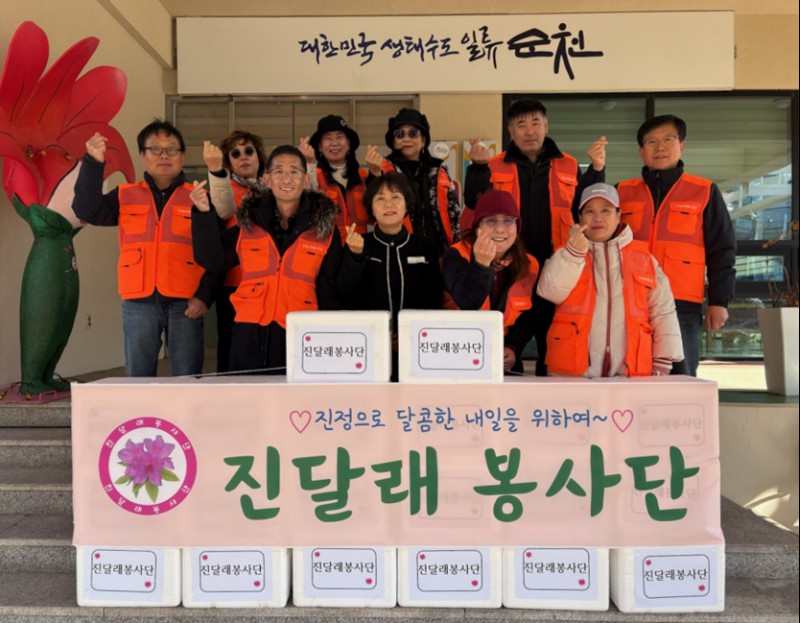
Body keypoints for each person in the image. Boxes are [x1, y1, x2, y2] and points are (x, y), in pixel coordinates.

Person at [463, 98, 608, 375]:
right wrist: (478, 168)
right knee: (509, 333)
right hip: (512, 265)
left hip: (556, 264)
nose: (529, 131)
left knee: (553, 337)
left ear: (546, 126)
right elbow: (475, 203)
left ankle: (550, 390)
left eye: (535, 123)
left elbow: (584, 207)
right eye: (521, 125)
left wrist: (597, 170)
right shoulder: (494, 164)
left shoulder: (568, 164)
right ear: (510, 131)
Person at [72, 120, 217, 377]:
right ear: (143, 155)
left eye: (172, 149)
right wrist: (93, 164)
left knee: (188, 380)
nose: (164, 155)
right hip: (139, 302)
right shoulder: (125, 195)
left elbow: (216, 253)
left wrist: (204, 296)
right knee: (138, 380)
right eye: (155, 149)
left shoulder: (198, 197)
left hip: (186, 303)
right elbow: (85, 209)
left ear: (182, 156)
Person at [191, 145, 342, 374]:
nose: (286, 178)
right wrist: (203, 214)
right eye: (279, 171)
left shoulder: (325, 229)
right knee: (247, 394)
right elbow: (212, 259)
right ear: (268, 179)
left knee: (294, 397)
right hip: (248, 332)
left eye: (294, 171)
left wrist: (331, 335)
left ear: (305, 180)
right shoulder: (249, 223)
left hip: (301, 331)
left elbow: (329, 288)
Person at [617, 114, 736, 376]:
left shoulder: (704, 191)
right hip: (629, 301)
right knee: (629, 372)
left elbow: (722, 250)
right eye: (651, 142)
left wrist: (719, 301)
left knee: (681, 376)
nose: (659, 147)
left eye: (667, 140)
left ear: (682, 145)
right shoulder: (622, 192)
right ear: (641, 151)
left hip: (681, 303)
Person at [537, 183, 684, 378]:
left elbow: (663, 310)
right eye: (589, 211)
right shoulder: (565, 254)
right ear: (580, 217)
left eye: (606, 211)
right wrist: (574, 255)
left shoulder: (645, 258)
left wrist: (663, 359)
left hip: (630, 373)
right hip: (572, 374)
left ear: (618, 215)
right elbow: (549, 292)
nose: (597, 218)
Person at [337, 173, 443, 380]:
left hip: (416, 349)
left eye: (396, 197)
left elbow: (434, 299)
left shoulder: (426, 247)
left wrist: (410, 334)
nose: (388, 204)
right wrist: (355, 256)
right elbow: (345, 293)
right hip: (368, 350)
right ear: (371, 209)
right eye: (380, 199)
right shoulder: (359, 244)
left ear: (407, 204)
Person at [443, 190, 540, 374]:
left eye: (508, 221)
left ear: (517, 228)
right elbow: (468, 301)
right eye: (491, 221)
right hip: (458, 358)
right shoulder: (456, 255)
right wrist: (481, 264)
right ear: (477, 227)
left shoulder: (530, 265)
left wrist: (513, 347)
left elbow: (529, 317)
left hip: (504, 363)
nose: (500, 229)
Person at [202, 130, 268, 372]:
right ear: (228, 162)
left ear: (259, 157)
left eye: (249, 151)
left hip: (269, 282)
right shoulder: (223, 188)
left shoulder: (273, 188)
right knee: (231, 347)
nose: (244, 157)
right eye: (236, 154)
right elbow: (224, 209)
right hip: (234, 283)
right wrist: (216, 172)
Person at [364, 107, 460, 254]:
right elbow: (372, 209)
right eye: (399, 134)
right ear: (393, 141)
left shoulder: (438, 171)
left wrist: (456, 250)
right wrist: (374, 174)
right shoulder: (383, 170)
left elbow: (453, 214)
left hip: (439, 252)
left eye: (413, 133)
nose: (406, 139)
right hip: (399, 250)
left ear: (423, 140)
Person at [299, 115, 369, 241]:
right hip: (328, 247)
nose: (334, 143)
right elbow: (303, 206)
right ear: (319, 147)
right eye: (328, 138)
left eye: (339, 137)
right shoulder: (313, 175)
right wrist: (308, 164)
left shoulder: (364, 177)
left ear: (348, 144)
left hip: (362, 246)